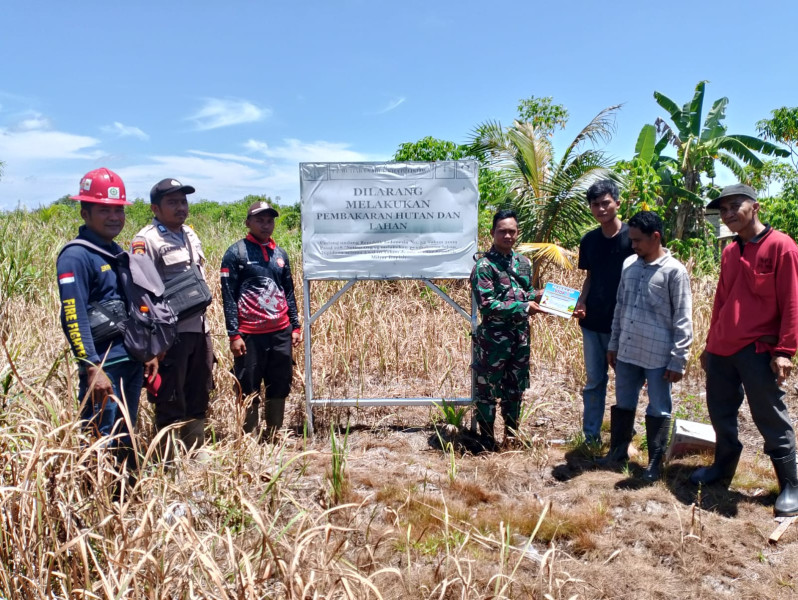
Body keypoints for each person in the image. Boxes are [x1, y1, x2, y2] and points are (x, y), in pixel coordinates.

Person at [690, 184, 798, 517]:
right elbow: (721, 301)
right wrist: (710, 345)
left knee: (769, 414)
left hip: (757, 349)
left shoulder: (781, 247)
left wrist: (785, 351)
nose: (728, 214)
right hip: (723, 348)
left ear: (756, 207)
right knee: (720, 411)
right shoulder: (729, 251)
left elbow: (792, 302)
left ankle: (791, 485)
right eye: (723, 210)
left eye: (735, 206)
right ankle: (722, 470)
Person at [57, 167, 157, 470]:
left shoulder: (115, 252)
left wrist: (148, 351)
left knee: (127, 434)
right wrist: (91, 367)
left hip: (130, 358)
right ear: (85, 212)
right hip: (103, 365)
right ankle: (97, 505)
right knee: (100, 439)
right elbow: (73, 315)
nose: (114, 217)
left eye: (118, 210)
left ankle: (125, 503)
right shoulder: (76, 256)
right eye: (104, 210)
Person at [599, 211, 693, 482]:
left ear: (656, 237)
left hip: (659, 355)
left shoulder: (674, 271)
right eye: (632, 240)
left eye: (639, 240)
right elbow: (620, 306)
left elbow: (683, 318)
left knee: (659, 408)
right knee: (624, 403)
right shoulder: (630, 264)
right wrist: (614, 343)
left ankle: (654, 463)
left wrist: (678, 359)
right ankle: (617, 452)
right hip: (628, 349)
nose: (634, 245)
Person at [132, 178, 214, 453]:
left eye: (183, 201)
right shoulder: (147, 240)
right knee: (169, 396)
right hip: (170, 335)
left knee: (199, 391)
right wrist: (153, 345)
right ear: (155, 208)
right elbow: (142, 294)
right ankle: (169, 461)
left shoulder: (190, 235)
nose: (181, 207)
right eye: (173, 202)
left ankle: (196, 454)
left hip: (200, 329)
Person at [220, 200, 301, 440]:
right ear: (248, 223)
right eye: (259, 220)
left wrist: (295, 326)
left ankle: (273, 434)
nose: (266, 225)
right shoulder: (236, 253)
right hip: (249, 335)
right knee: (248, 386)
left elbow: (288, 292)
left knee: (280, 383)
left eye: (270, 220)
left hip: (280, 332)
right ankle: (249, 439)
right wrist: (234, 334)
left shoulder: (280, 254)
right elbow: (228, 296)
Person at [470, 209, 540, 450]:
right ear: (493, 233)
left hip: (519, 338)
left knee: (515, 389)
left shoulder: (522, 263)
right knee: (487, 390)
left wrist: (540, 296)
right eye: (502, 231)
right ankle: (486, 440)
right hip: (493, 340)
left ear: (517, 233)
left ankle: (511, 437)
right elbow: (488, 305)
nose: (508, 236)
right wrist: (524, 306)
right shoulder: (484, 266)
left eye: (512, 231)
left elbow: (524, 292)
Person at [572, 179, 634, 445]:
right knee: (595, 381)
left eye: (606, 203)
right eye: (595, 204)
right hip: (594, 322)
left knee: (626, 382)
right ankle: (591, 437)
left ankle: (623, 438)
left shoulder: (634, 236)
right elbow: (590, 276)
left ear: (617, 203)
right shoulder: (589, 241)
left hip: (627, 325)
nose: (601, 209)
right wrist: (581, 302)